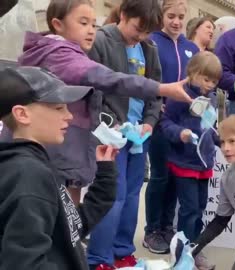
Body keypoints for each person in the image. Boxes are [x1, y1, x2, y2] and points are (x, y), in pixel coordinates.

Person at [8, 0, 190, 206]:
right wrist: (163, 88)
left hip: (66, 151)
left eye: (93, 24)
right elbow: (107, 78)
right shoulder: (60, 54)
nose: (91, 31)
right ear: (58, 24)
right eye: (83, 23)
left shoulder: (62, 51)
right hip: (57, 153)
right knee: (59, 212)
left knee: (69, 214)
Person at [0, 66, 118, 270]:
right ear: (22, 114)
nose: (69, 116)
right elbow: (25, 264)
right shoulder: (28, 175)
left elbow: (70, 228)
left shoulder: (34, 163)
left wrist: (105, 173)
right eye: (58, 108)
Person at [86, 0, 163, 268]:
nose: (140, 37)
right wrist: (109, 124)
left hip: (139, 138)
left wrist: (150, 122)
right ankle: (98, 258)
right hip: (110, 136)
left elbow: (155, 91)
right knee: (112, 196)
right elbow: (91, 89)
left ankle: (122, 252)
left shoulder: (148, 48)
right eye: (137, 28)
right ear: (123, 14)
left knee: (131, 197)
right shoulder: (101, 40)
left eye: (147, 32)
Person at [143, 0, 199, 256]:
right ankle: (152, 230)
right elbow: (145, 79)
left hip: (182, 123)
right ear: (161, 15)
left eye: (180, 17)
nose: (176, 22)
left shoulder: (191, 47)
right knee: (159, 176)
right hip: (159, 120)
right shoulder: (151, 41)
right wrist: (155, 105)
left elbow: (197, 82)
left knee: (177, 176)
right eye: (171, 16)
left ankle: (167, 226)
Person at [161, 51, 222, 270]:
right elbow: (166, 122)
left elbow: (211, 128)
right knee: (189, 209)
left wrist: (221, 140)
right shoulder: (180, 95)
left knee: (202, 207)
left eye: (214, 81)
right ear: (192, 73)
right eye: (206, 79)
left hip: (204, 163)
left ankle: (195, 249)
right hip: (184, 162)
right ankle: (183, 253)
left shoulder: (213, 99)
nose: (210, 85)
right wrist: (181, 133)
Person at [192, 114, 235, 270]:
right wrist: (193, 248)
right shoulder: (227, 179)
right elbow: (220, 221)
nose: (226, 148)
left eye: (232, 141)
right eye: (222, 142)